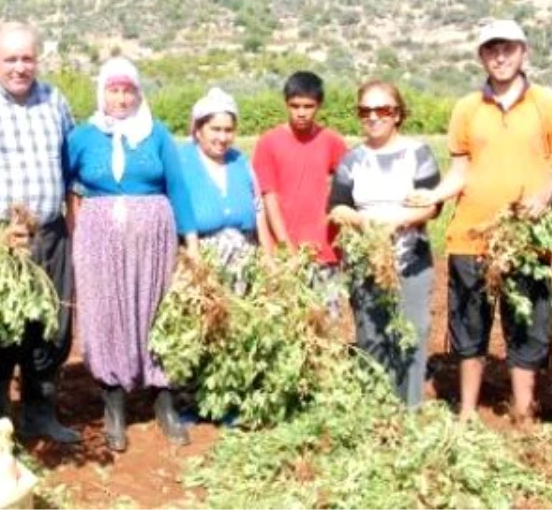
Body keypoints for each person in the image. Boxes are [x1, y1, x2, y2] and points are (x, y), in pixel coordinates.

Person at [406, 19, 552, 424]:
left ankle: (523, 409)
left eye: (508, 48)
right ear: (481, 56)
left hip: (526, 240)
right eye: (492, 49)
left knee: (527, 324)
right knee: (469, 324)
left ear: (523, 52)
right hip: (471, 237)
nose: (500, 56)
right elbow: (460, 170)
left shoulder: (547, 104)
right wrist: (434, 194)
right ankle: (466, 411)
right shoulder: (467, 108)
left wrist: (544, 195)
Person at [0, 22, 80, 444]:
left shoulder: (54, 99)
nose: (20, 68)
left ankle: (39, 412)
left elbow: (70, 159)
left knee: (53, 327)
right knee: (3, 329)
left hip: (51, 233)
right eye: (11, 59)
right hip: (0, 239)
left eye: (27, 58)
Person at [67, 57, 199, 452]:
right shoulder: (82, 137)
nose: (121, 98)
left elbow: (178, 190)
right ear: (101, 92)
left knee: (156, 311)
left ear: (138, 93)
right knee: (107, 315)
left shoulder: (156, 135)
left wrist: (190, 243)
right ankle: (114, 407)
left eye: (128, 90)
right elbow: (68, 188)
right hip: (99, 242)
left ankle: (164, 402)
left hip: (153, 242)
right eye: (113, 90)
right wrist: (78, 235)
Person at [327, 80, 442, 408]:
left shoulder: (417, 153)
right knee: (372, 334)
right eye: (366, 111)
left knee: (412, 333)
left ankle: (409, 411)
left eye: (383, 110)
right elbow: (336, 207)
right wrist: (365, 223)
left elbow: (431, 205)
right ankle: (376, 411)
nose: (374, 117)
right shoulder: (353, 159)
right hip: (366, 260)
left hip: (411, 258)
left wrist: (397, 222)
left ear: (397, 114)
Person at [251, 71, 348, 275]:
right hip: (283, 254)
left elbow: (351, 187)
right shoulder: (269, 143)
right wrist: (287, 249)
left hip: (324, 252)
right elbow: (269, 199)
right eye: (295, 106)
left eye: (308, 106)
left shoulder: (332, 141)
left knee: (327, 307)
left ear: (319, 105)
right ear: (286, 104)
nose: (301, 113)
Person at [178, 87, 270, 293]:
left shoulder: (240, 161)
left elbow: (258, 209)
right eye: (215, 129)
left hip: (244, 267)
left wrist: (268, 258)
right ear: (198, 129)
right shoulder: (181, 161)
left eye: (228, 130)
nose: (222, 137)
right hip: (199, 267)